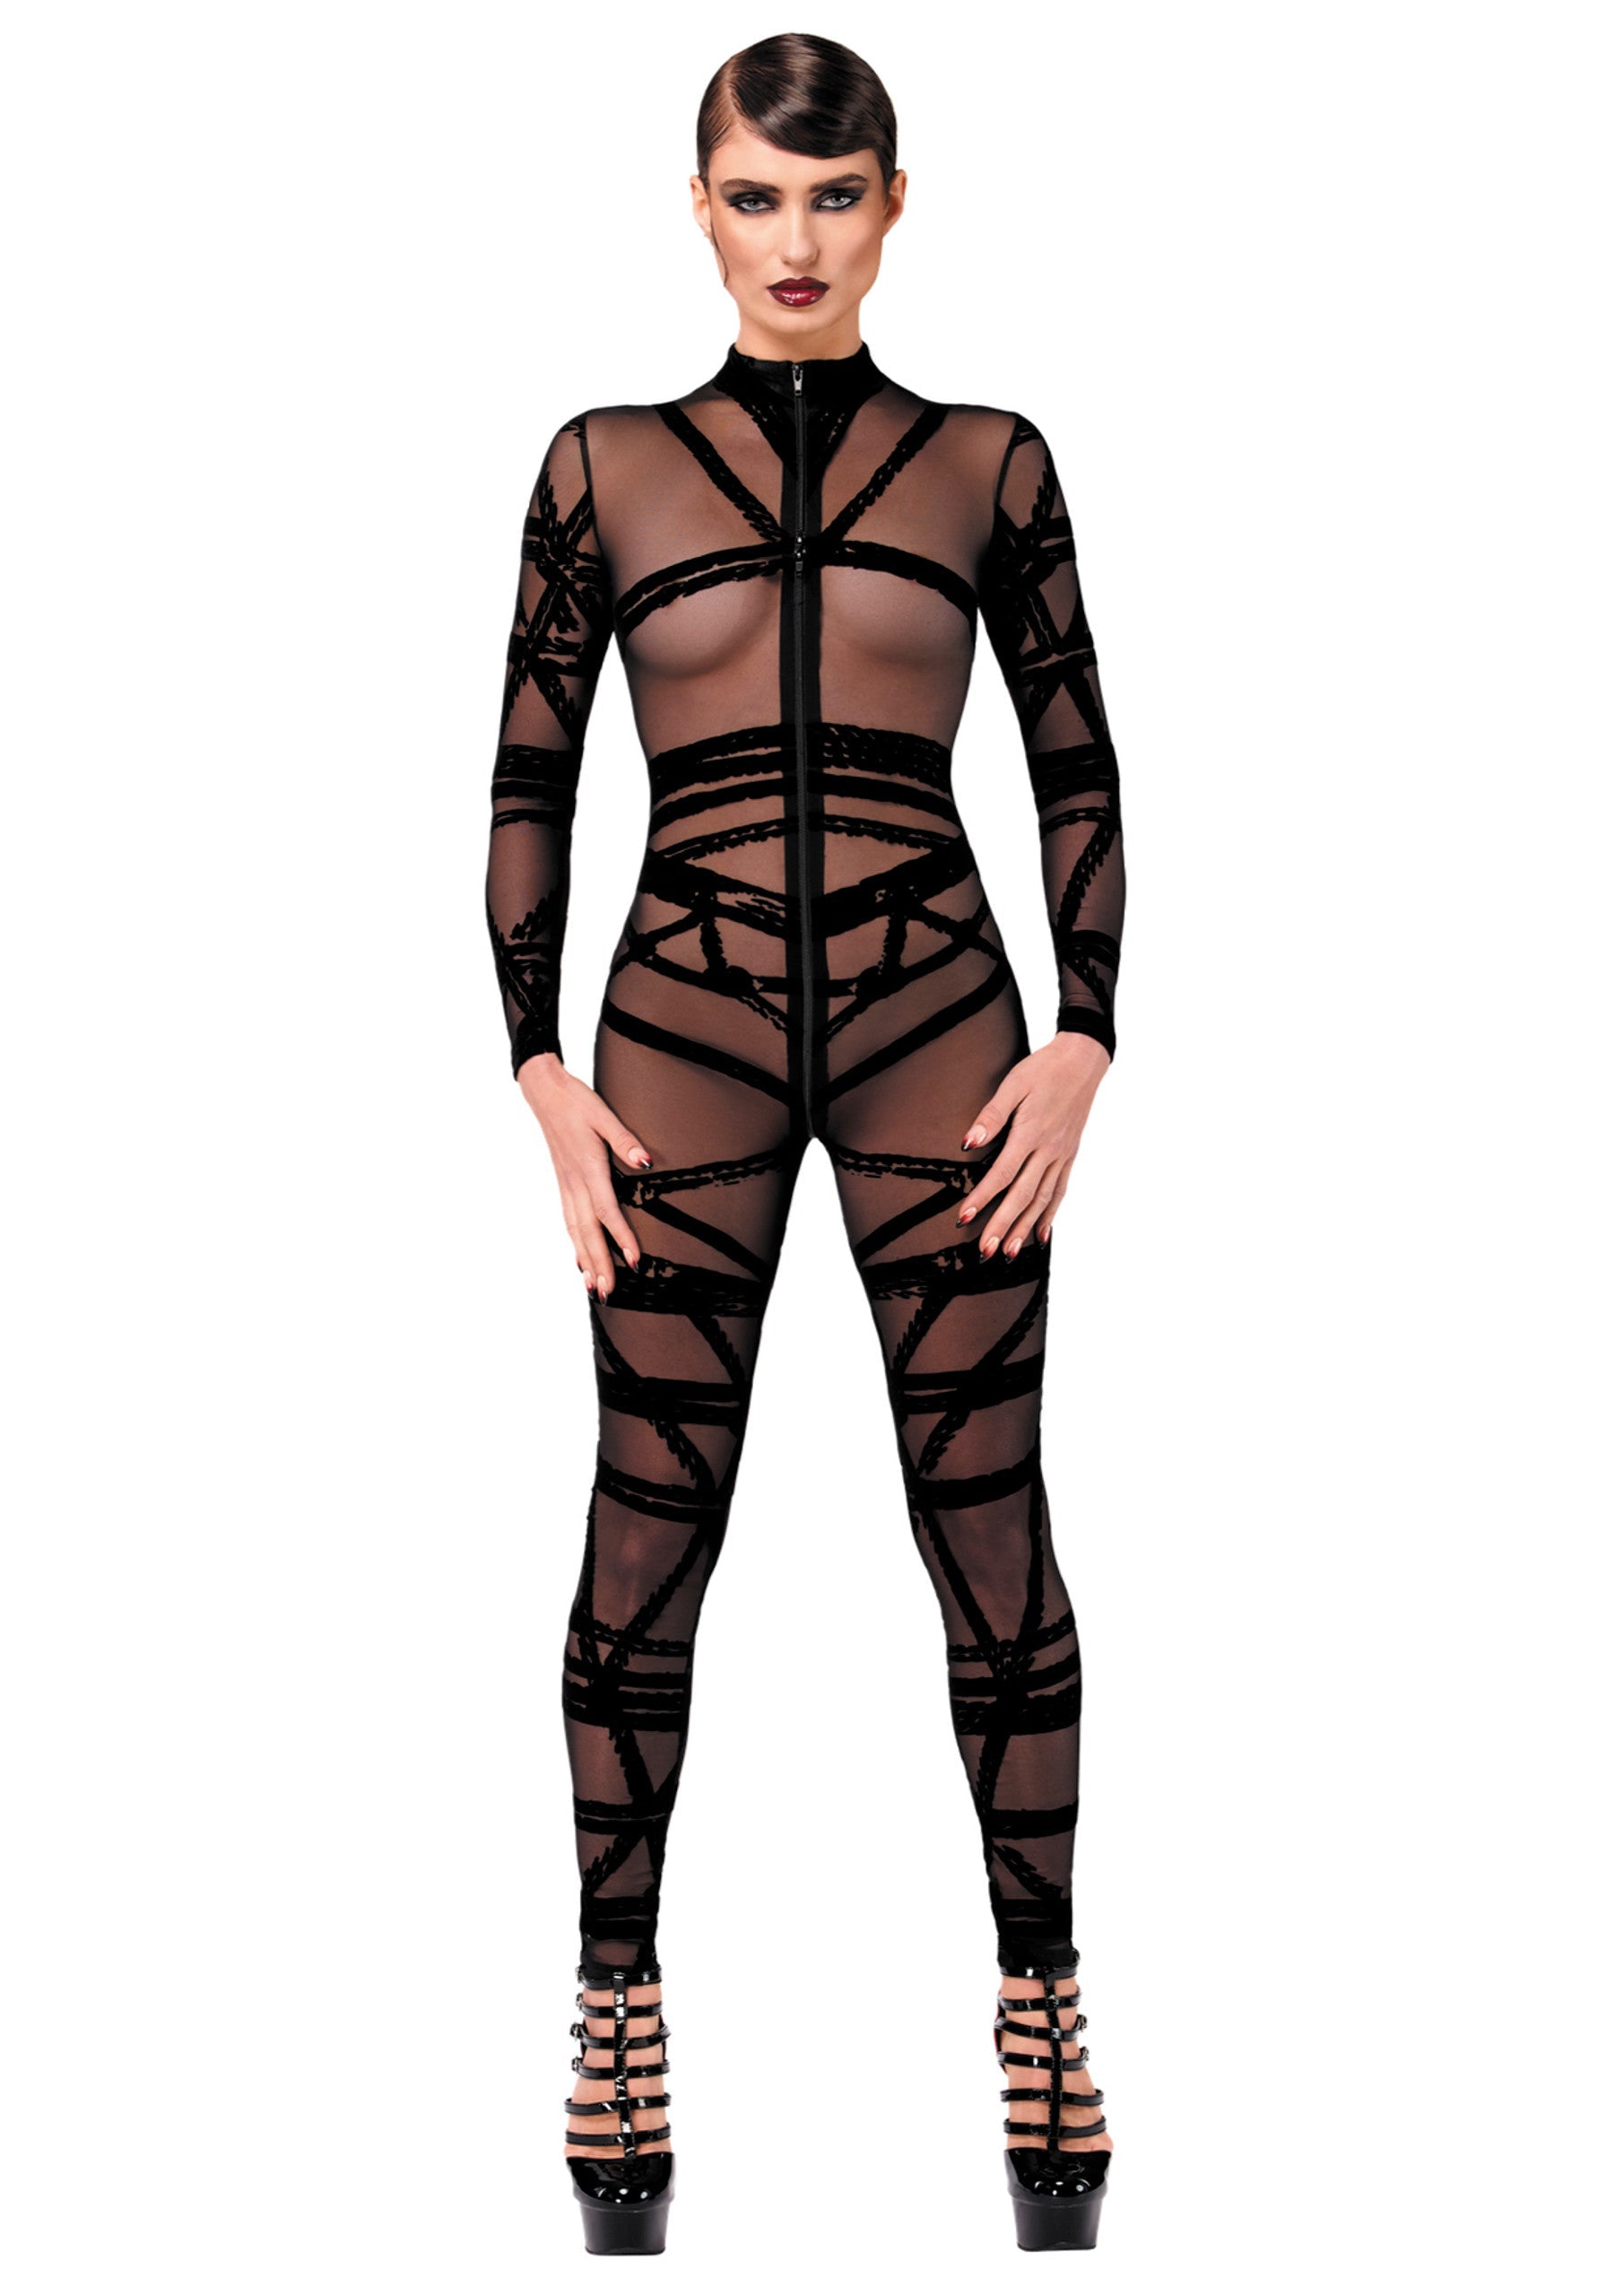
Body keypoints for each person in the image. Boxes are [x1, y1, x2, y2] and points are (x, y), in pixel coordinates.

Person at [484, 32, 1124, 2256]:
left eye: (831, 199)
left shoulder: (989, 462)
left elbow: (1074, 763)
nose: (793, 241)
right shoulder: (597, 466)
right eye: (755, 197)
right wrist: (532, 1064)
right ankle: (613, 1997)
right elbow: (528, 776)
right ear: (698, 206)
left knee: (987, 1523)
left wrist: (1087, 1030)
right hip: (670, 1040)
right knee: (645, 1527)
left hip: (945, 1031)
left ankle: (1040, 1993)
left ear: (891, 207)